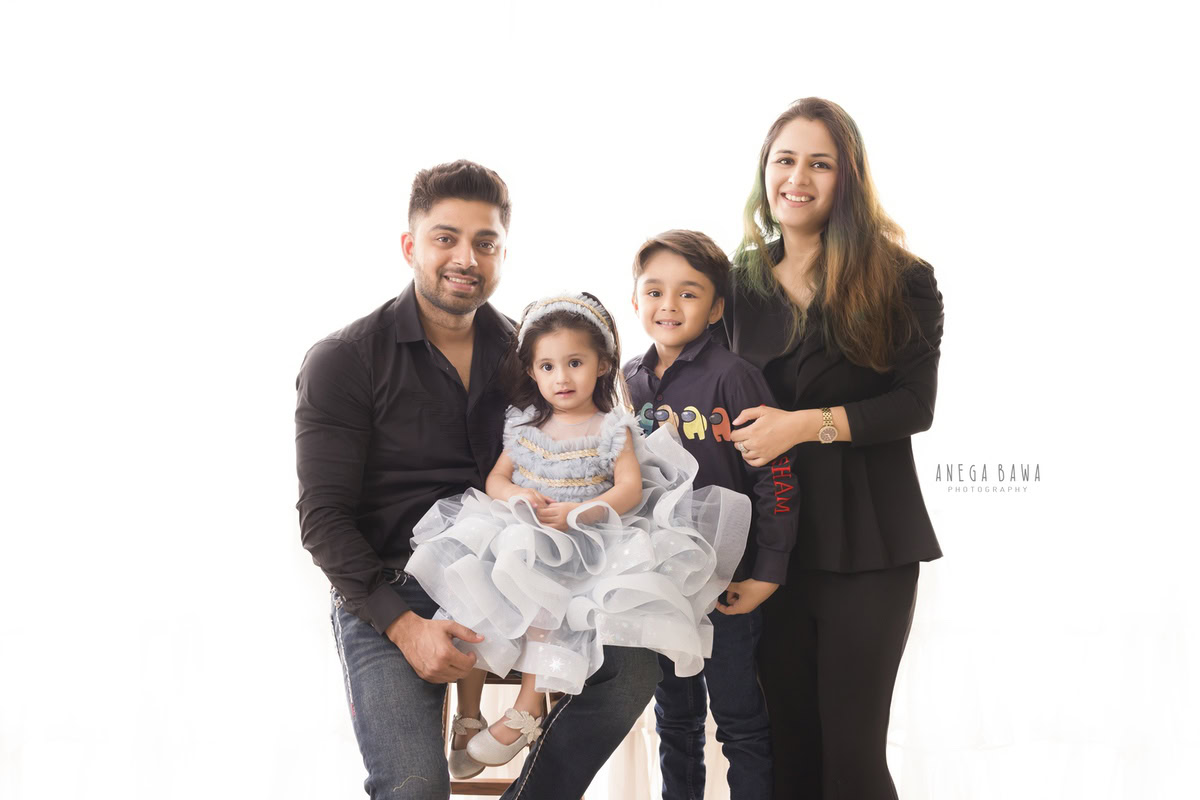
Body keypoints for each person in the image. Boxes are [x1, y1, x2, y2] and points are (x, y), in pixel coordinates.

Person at [294, 161, 660, 800]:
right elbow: (322, 521)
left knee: (633, 671)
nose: (466, 257)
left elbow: (592, 438)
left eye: (485, 243)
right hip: (392, 590)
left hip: (525, 579)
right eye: (445, 238)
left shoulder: (529, 356)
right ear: (411, 247)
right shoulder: (344, 360)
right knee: (411, 788)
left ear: (501, 254)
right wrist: (404, 627)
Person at [406, 292, 752, 778]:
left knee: (547, 586)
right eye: (547, 366)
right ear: (531, 372)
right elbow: (497, 481)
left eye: (574, 363)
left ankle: (529, 704)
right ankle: (469, 712)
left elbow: (629, 488)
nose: (562, 377)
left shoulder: (613, 426)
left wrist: (585, 511)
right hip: (526, 526)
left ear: (603, 364)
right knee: (482, 581)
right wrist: (518, 499)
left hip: (589, 536)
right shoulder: (525, 424)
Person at [721, 98, 945, 799]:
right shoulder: (735, 282)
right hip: (769, 549)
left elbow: (913, 406)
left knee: (851, 759)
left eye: (820, 163)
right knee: (788, 753)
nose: (798, 177)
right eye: (785, 159)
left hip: (869, 543)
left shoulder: (902, 277)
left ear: (848, 179)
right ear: (765, 171)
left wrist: (801, 423)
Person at [622, 230, 798, 800]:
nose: (668, 306)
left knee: (739, 719)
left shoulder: (734, 376)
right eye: (654, 291)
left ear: (717, 306)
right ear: (636, 299)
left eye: (688, 293)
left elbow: (775, 477)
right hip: (661, 586)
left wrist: (767, 569)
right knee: (674, 721)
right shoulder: (626, 383)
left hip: (727, 583)